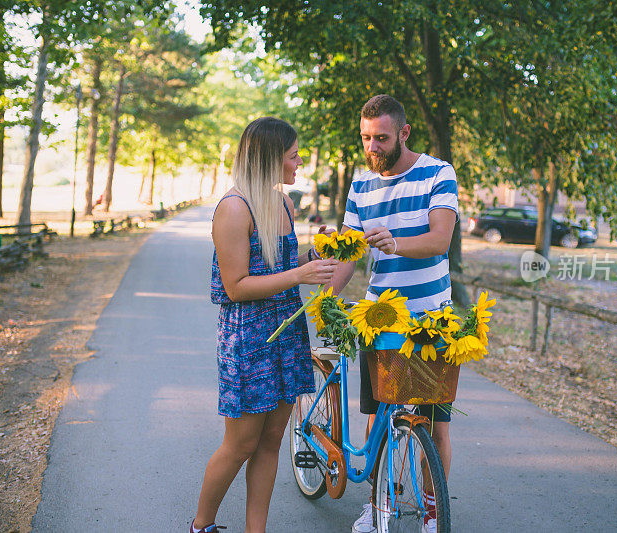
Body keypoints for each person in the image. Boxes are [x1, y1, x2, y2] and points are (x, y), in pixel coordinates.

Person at [191, 117, 340, 533]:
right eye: (293, 155)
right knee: (240, 445)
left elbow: (283, 265)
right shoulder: (234, 208)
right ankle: (201, 526)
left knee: (272, 440)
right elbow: (236, 286)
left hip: (287, 333)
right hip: (249, 339)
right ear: (271, 158)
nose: (299, 162)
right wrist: (298, 276)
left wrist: (314, 254)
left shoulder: (283, 204)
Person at [328, 95, 459, 533]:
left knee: (435, 423)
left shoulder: (438, 173)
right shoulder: (361, 185)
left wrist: (396, 243)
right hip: (378, 318)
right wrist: (328, 297)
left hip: (430, 320)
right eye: (365, 138)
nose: (372, 147)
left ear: (403, 133)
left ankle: (432, 507)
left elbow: (441, 239)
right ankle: (378, 504)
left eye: (380, 138)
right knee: (378, 413)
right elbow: (348, 250)